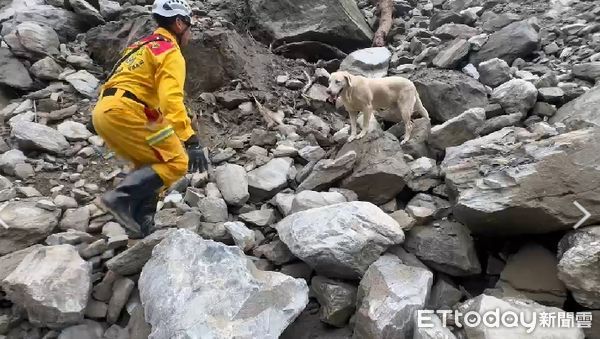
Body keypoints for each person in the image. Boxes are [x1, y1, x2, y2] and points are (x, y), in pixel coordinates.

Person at [91, 0, 208, 239]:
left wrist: (174, 130)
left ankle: (141, 222)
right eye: (189, 26)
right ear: (178, 23)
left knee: (153, 163)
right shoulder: (170, 51)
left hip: (109, 111)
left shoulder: (139, 46)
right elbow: (170, 100)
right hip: (129, 110)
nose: (190, 34)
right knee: (177, 163)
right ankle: (119, 199)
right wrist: (191, 140)